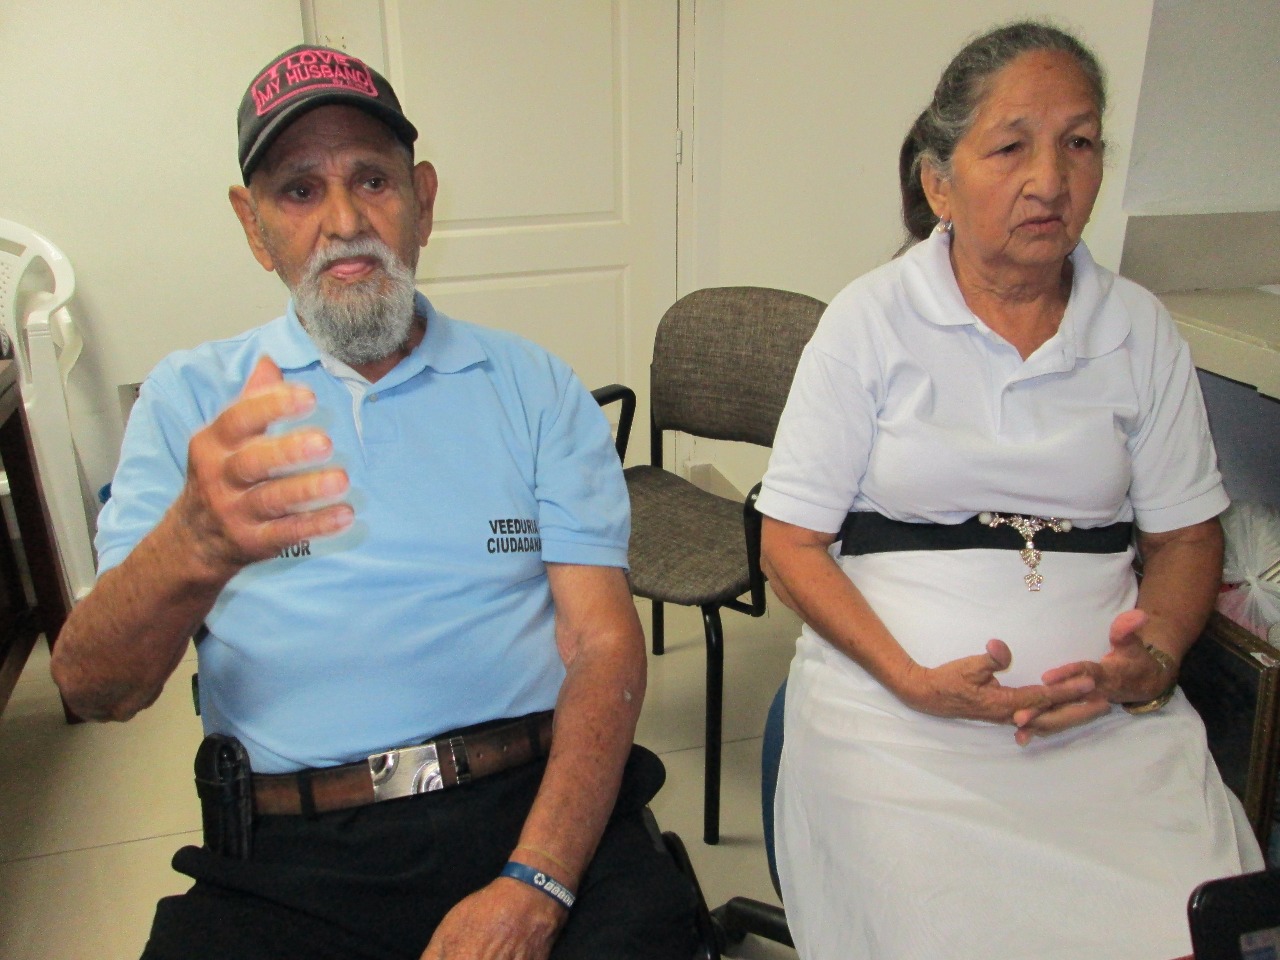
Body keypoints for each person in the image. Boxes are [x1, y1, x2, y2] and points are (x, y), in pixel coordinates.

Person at [49, 44, 695, 960]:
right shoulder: (192, 401)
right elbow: (92, 688)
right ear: (252, 223)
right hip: (297, 849)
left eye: (373, 181)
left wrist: (535, 882)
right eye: (299, 190)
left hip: (528, 804)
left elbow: (601, 644)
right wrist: (193, 542)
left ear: (422, 200)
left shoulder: (534, 386)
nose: (345, 221)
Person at [756, 21, 1263, 960]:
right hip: (896, 719)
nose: (1052, 178)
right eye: (1012, 145)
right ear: (938, 182)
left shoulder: (1138, 329)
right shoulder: (871, 321)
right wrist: (912, 681)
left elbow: (1188, 541)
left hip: (1102, 728)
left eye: (1079, 142)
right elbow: (786, 543)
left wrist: (1148, 661)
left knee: (1189, 924)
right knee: (937, 928)